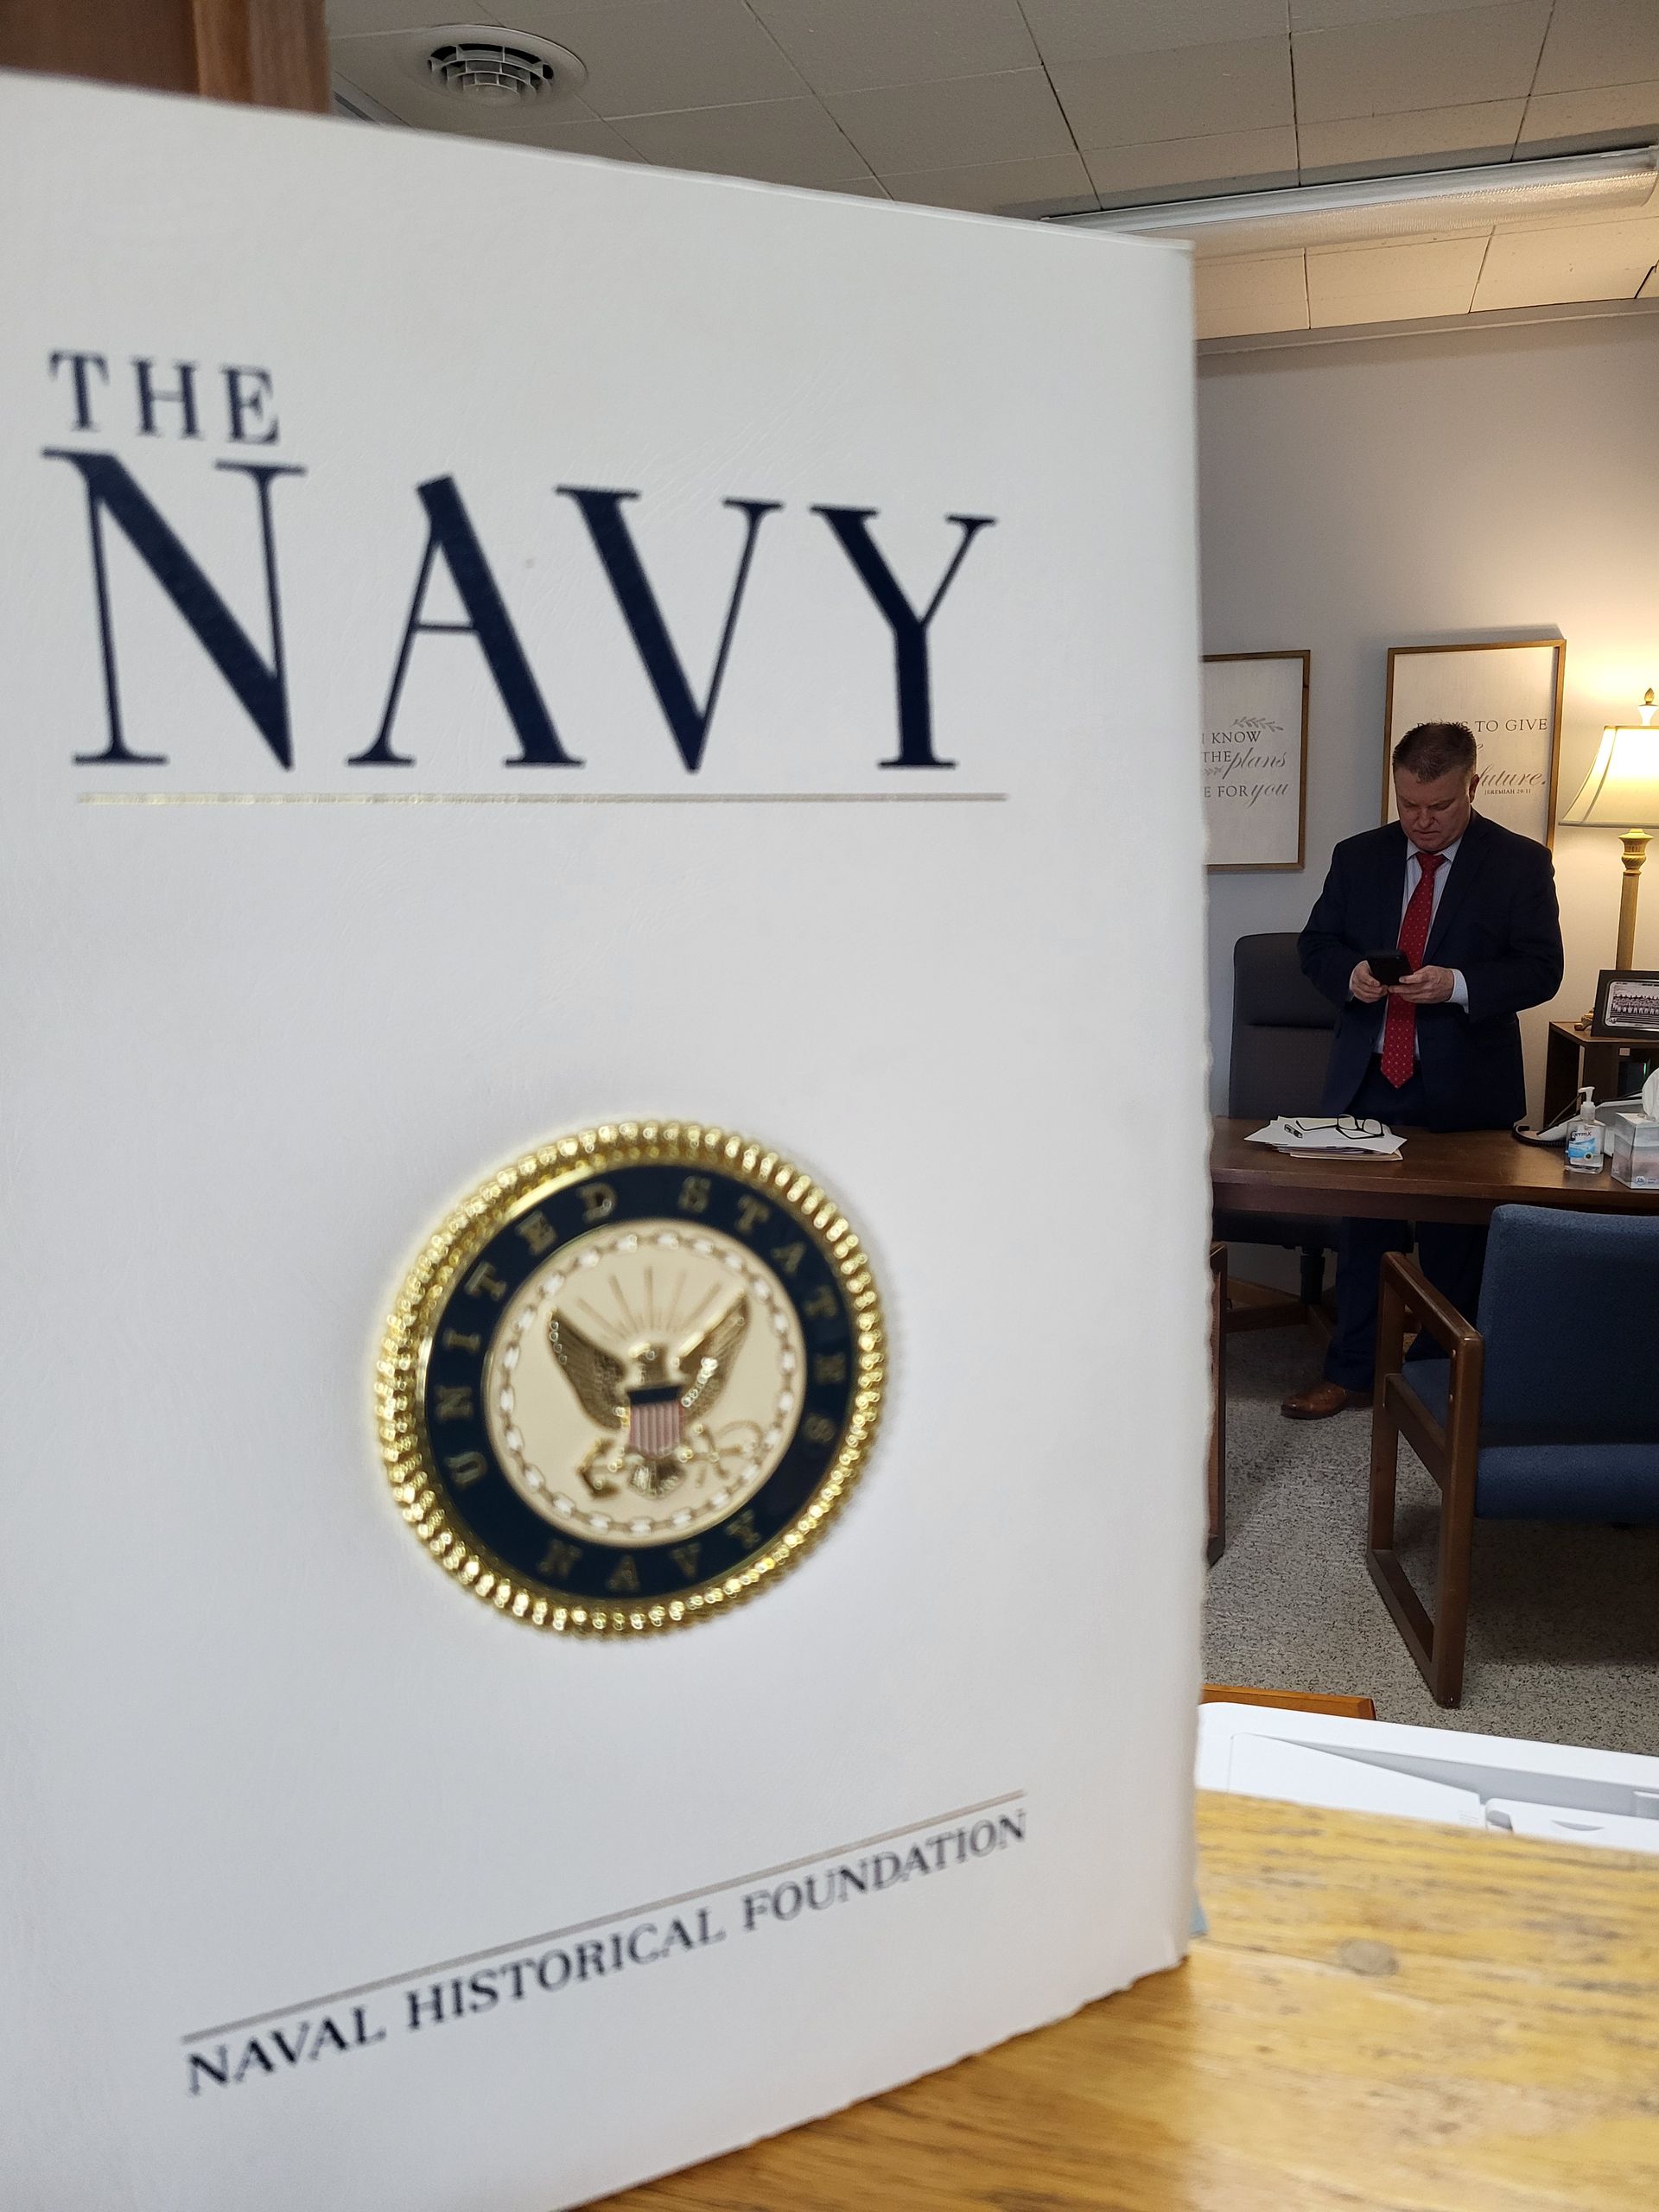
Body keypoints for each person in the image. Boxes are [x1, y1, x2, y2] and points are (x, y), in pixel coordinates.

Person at [1281, 720, 1563, 1419]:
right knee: (1363, 1236)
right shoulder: (1359, 857)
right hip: (1369, 1076)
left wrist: (1459, 984)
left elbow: (1542, 968)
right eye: (1409, 805)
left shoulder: (1520, 863)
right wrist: (1349, 974)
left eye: (1438, 806)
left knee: (1455, 1246)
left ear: (1473, 783)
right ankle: (1350, 1372)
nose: (1422, 821)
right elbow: (1315, 943)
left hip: (1467, 1085)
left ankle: (1435, 1384)